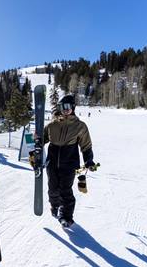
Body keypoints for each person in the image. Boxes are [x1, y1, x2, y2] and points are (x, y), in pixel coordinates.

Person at [43, 95, 96, 228]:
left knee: (65, 189)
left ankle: (66, 216)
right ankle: (54, 205)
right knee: (53, 188)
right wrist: (35, 142)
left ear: (73, 107)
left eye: (67, 107)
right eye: (62, 107)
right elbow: (40, 139)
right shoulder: (52, 125)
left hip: (70, 161)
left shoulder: (80, 126)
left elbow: (86, 145)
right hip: (52, 161)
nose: (65, 110)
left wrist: (89, 160)